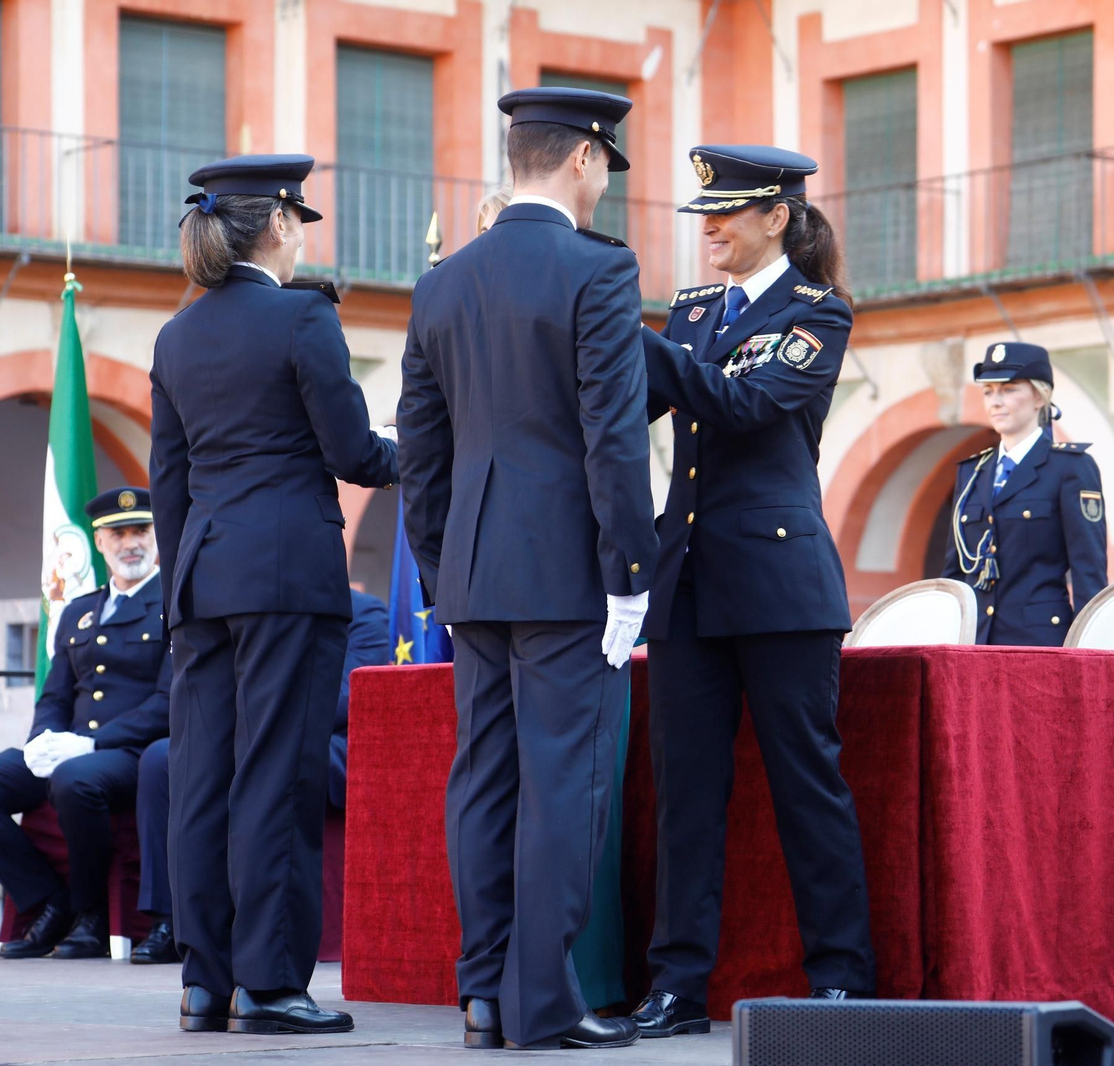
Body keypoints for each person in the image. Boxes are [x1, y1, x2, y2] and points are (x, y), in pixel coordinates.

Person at [399, 87, 656, 1052]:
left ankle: (482, 996)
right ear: (585, 159)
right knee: (566, 786)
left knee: (485, 781)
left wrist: (440, 565)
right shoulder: (599, 268)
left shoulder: (444, 281)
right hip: (566, 577)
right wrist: (630, 570)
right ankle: (543, 1005)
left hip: (474, 573)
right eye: (605, 170)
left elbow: (420, 453)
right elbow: (614, 443)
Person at [630, 145, 878, 1038]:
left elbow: (741, 407)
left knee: (806, 784)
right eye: (703, 215)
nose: (710, 229)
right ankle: (675, 987)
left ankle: (843, 976)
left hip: (779, 586)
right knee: (684, 793)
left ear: (776, 217)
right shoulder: (691, 311)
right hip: (690, 581)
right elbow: (635, 407)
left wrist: (637, 339)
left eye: (726, 214)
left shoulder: (819, 313)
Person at [150, 153, 398, 1035]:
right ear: (283, 226)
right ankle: (272, 984)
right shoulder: (303, 317)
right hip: (289, 574)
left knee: (203, 778)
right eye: (302, 224)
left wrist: (181, 596)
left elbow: (168, 483)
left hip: (204, 576)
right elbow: (353, 455)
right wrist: (422, 450)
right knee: (278, 777)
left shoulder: (176, 335)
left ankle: (204, 983)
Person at [0, 488, 170, 959]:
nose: (131, 544)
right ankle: (47, 898)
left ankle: (91, 913)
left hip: (135, 755)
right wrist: (42, 740)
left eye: (140, 531)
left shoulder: (174, 607)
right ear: (98, 543)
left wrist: (88, 744)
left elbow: (169, 702)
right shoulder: (79, 612)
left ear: (157, 537)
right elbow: (56, 694)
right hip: (70, 750)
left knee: (74, 779)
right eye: (117, 534)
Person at [129, 588, 390, 965]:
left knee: (265, 754)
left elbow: (351, 695)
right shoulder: (236, 605)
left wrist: (260, 711)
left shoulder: (362, 610)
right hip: (241, 728)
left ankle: (261, 944)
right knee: (160, 758)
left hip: (320, 736)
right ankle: (167, 922)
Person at [941, 343, 1108, 645]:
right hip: (974, 642)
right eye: (989, 391)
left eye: (1009, 390)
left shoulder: (1070, 468)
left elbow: (1089, 570)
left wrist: (1090, 653)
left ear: (1039, 396)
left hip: (1039, 643)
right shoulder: (971, 472)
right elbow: (955, 572)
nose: (995, 401)